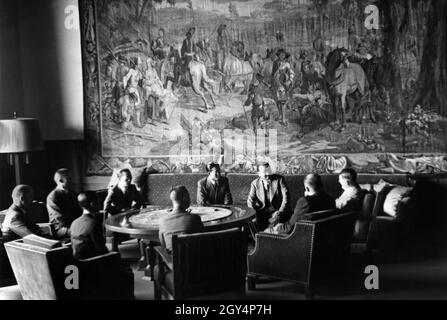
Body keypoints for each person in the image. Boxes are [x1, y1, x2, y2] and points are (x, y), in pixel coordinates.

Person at [265, 173, 335, 234]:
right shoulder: (331, 200)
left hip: (298, 236)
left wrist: (277, 227)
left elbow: (289, 227)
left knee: (266, 231)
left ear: (307, 188)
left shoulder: (304, 202)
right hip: (319, 235)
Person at [159, 186, 204, 253]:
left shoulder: (162, 221)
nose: (190, 199)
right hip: (194, 259)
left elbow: (163, 245)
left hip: (174, 260)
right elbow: (202, 239)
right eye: (188, 196)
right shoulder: (195, 218)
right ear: (184, 198)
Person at [247, 163, 290, 232]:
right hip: (262, 212)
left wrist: (280, 211)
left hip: (277, 210)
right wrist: (253, 214)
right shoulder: (254, 183)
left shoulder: (279, 179)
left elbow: (286, 197)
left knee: (276, 218)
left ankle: (265, 235)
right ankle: (259, 237)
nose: (268, 175)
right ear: (259, 173)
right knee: (252, 221)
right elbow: (250, 201)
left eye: (269, 172)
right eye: (265, 173)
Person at [70, 192, 108, 260]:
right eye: (98, 202)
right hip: (91, 263)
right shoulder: (94, 223)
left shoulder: (74, 223)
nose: (100, 204)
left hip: (77, 262)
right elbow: (102, 249)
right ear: (92, 204)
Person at [46, 169, 82, 239]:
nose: (72, 180)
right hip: (60, 228)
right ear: (61, 180)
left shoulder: (72, 193)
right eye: (70, 178)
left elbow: (79, 211)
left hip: (73, 225)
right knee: (84, 232)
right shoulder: (53, 196)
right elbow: (60, 219)